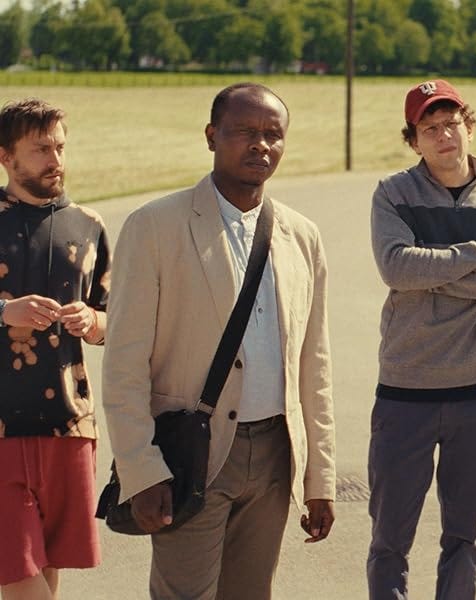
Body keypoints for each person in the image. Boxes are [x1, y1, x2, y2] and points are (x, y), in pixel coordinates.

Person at [101, 82, 336, 600]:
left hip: (276, 453)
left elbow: (313, 366)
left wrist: (320, 478)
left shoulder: (303, 235)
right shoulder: (154, 227)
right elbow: (124, 364)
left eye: (273, 135)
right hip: (193, 453)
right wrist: (140, 470)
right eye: (245, 132)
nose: (261, 145)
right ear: (212, 136)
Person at [367, 79, 476, 600]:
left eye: (451, 123)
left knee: (466, 536)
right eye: (429, 128)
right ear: (414, 140)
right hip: (405, 390)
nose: (443, 136)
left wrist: (432, 268)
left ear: (469, 126)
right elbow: (395, 267)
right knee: (390, 538)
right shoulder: (394, 192)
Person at [0, 99, 109, 600]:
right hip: (2, 431)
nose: (56, 159)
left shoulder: (90, 225)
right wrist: (5, 313)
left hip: (70, 424)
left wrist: (92, 321)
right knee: (18, 576)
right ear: (6, 156)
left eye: (61, 147)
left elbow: (117, 321)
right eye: (41, 148)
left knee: (46, 572)